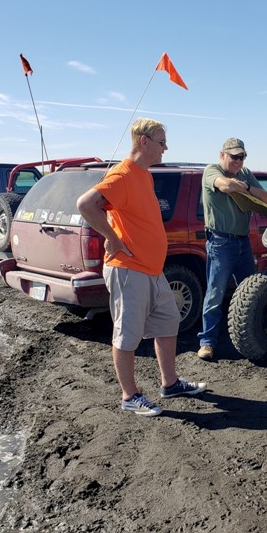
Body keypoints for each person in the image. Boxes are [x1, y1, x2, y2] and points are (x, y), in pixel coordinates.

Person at [76, 118, 206, 417]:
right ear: (144, 141)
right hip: (128, 268)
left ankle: (170, 383)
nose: (166, 147)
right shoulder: (122, 175)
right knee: (126, 334)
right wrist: (111, 237)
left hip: (151, 268)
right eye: (162, 142)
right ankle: (129, 396)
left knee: (168, 321)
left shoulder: (144, 175)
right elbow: (86, 204)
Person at [197, 138, 267, 361]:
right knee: (215, 294)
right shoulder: (212, 170)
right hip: (220, 243)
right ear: (222, 155)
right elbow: (225, 185)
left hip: (242, 242)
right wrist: (242, 187)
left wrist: (246, 187)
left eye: (242, 157)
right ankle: (207, 342)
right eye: (234, 157)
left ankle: (252, 335)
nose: (238, 161)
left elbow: (266, 197)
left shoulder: (245, 174)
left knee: (249, 292)